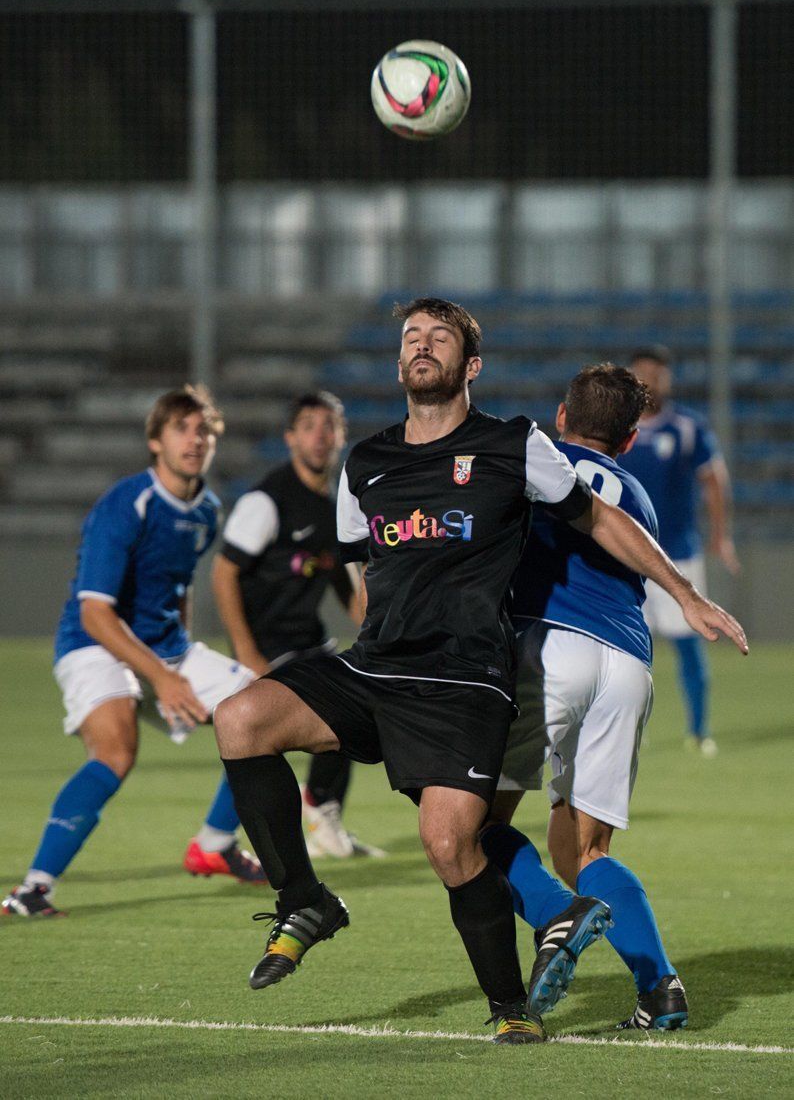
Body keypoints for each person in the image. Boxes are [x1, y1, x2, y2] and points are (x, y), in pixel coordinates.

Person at [212, 299, 747, 1045]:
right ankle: (306, 899)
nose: (421, 346)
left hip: (483, 670)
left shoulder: (514, 444)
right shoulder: (365, 461)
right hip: (445, 664)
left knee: (459, 840)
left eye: (440, 337)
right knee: (240, 718)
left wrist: (686, 593)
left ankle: (524, 979)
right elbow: (364, 568)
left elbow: (590, 515)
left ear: (473, 366)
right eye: (410, 337)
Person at [484, 363, 703, 1032]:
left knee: (471, 828)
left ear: (560, 416)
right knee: (583, 851)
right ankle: (659, 989)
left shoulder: (533, 464)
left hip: (549, 649)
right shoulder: (637, 494)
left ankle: (558, 916)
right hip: (628, 663)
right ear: (630, 439)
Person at [3, 385, 264, 919]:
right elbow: (95, 612)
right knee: (117, 752)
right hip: (94, 645)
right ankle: (33, 889)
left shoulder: (208, 510)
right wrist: (164, 681)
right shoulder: (126, 504)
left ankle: (215, 844)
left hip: (166, 650)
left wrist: (181, 656)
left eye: (204, 431)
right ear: (155, 440)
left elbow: (180, 584)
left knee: (265, 710)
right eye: (181, 429)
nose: (194, 440)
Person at [186, 390, 381, 875]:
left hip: (307, 642)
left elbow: (346, 586)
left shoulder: (335, 506)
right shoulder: (267, 500)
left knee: (357, 691)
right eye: (310, 425)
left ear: (341, 436)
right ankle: (234, 835)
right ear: (290, 437)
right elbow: (223, 574)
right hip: (270, 647)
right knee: (271, 731)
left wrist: (382, 632)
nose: (321, 435)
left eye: (330, 425)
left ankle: (319, 812)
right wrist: (248, 653)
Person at [620, 345, 740, 756]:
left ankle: (698, 730)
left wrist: (721, 535)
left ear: (669, 378)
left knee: (689, 642)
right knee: (626, 648)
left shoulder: (689, 427)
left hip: (678, 556)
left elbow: (714, 480)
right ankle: (628, 726)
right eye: (642, 372)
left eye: (658, 372)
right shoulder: (617, 426)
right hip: (624, 557)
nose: (650, 380)